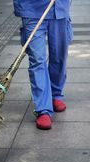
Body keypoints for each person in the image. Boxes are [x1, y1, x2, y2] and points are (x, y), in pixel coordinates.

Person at [13, 0, 73, 130]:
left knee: (59, 55)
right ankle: (43, 109)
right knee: (37, 59)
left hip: (59, 8)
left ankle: (55, 94)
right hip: (32, 9)